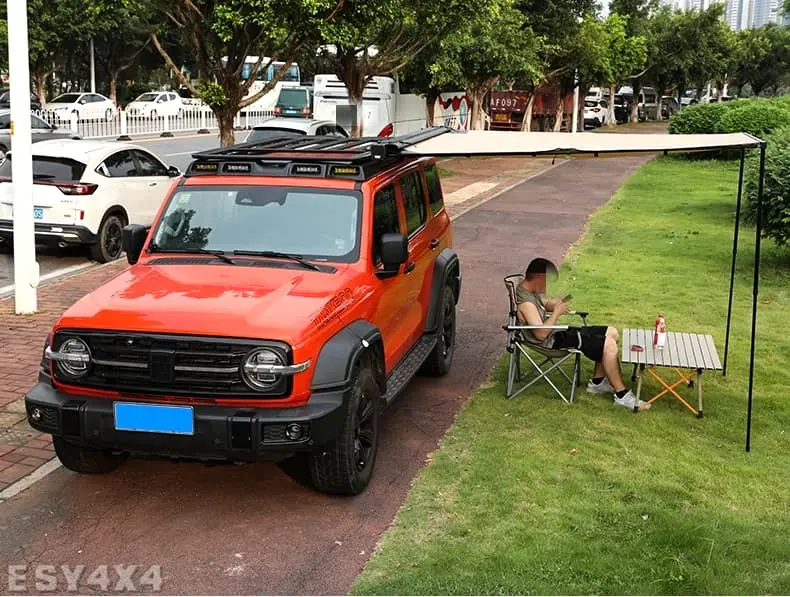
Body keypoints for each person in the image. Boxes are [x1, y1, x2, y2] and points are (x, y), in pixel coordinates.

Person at [515, 257, 648, 410]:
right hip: (552, 342)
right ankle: (622, 395)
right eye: (546, 280)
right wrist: (557, 313)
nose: (547, 285)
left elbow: (540, 307)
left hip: (559, 333)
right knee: (608, 344)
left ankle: (598, 383)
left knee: (611, 332)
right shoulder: (525, 303)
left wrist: (554, 305)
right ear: (539, 277)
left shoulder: (528, 290)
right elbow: (541, 334)